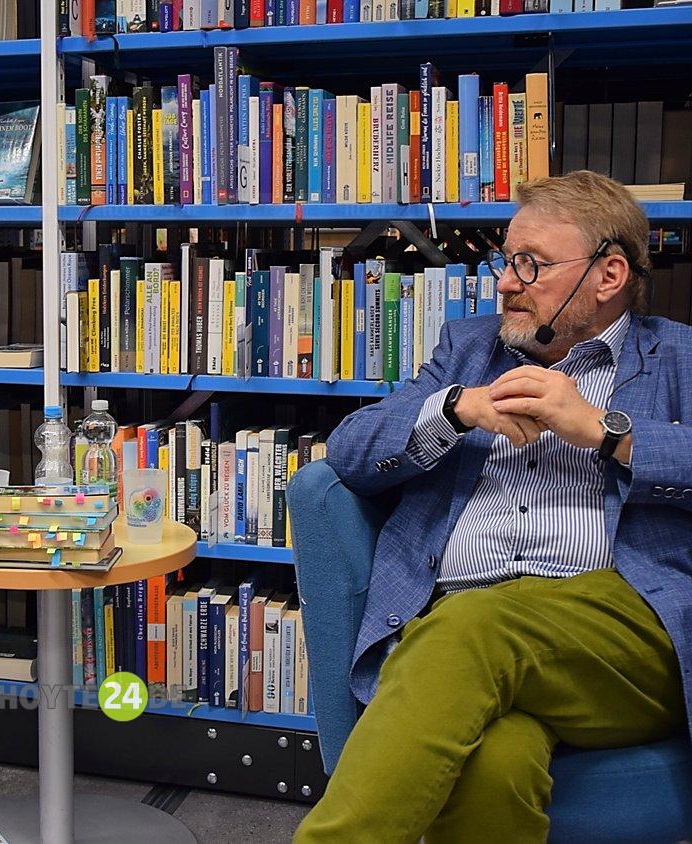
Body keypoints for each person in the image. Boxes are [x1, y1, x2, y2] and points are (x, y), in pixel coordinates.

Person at [295, 170, 692, 843]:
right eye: (506, 261)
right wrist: (454, 410)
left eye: (530, 265)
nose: (505, 282)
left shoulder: (677, 357)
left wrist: (605, 432)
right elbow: (351, 449)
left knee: (473, 625)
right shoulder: (467, 348)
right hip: (466, 629)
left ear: (609, 274)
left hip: (623, 636)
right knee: (493, 761)